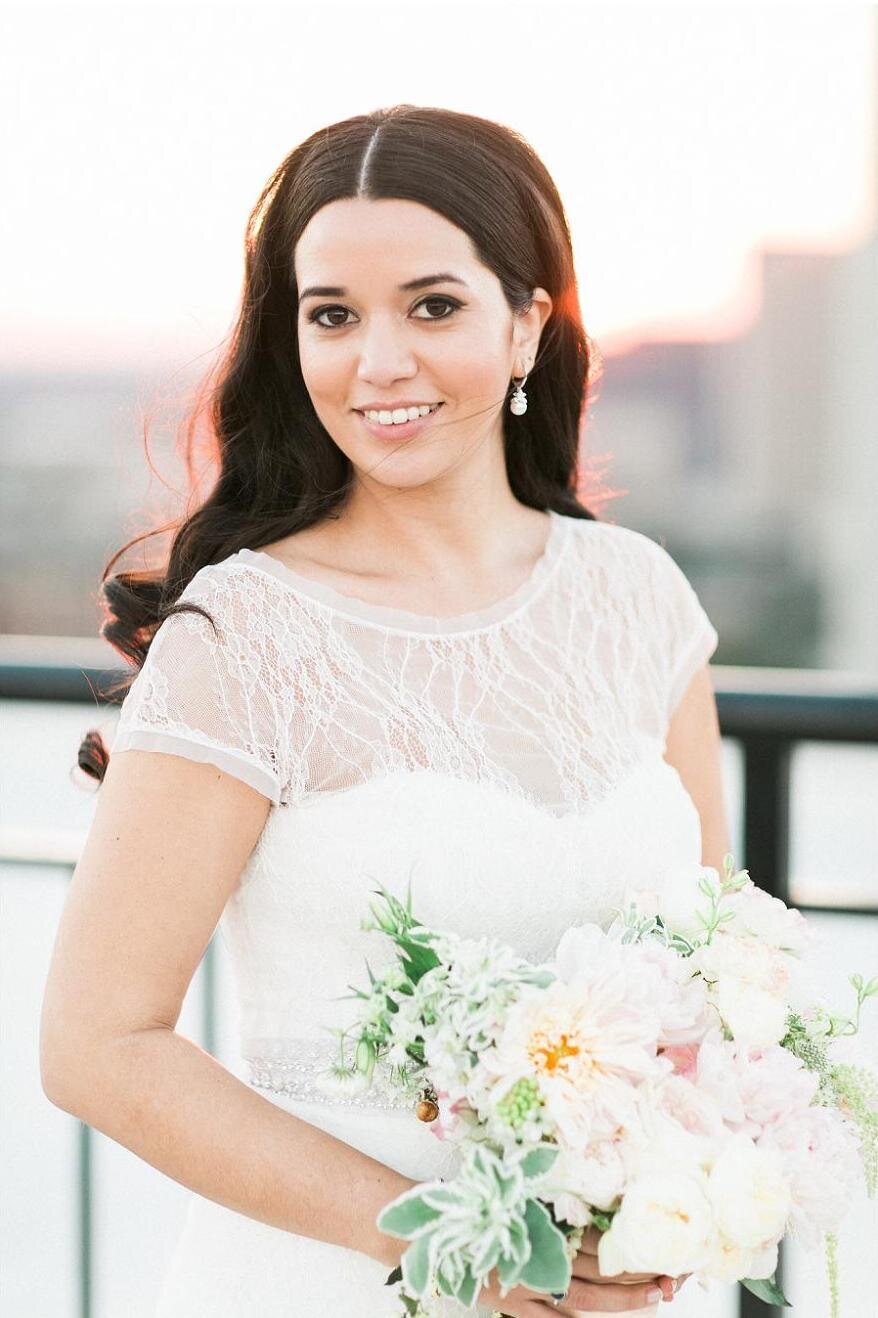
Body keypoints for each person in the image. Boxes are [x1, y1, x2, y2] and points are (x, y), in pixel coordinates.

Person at [39, 104, 728, 1316]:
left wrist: (683, 1185)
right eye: (331, 316)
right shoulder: (247, 636)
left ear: (528, 323)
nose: (377, 364)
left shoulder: (640, 601)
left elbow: (711, 976)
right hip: (326, 1283)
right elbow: (98, 1045)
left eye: (432, 305)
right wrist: (453, 1240)